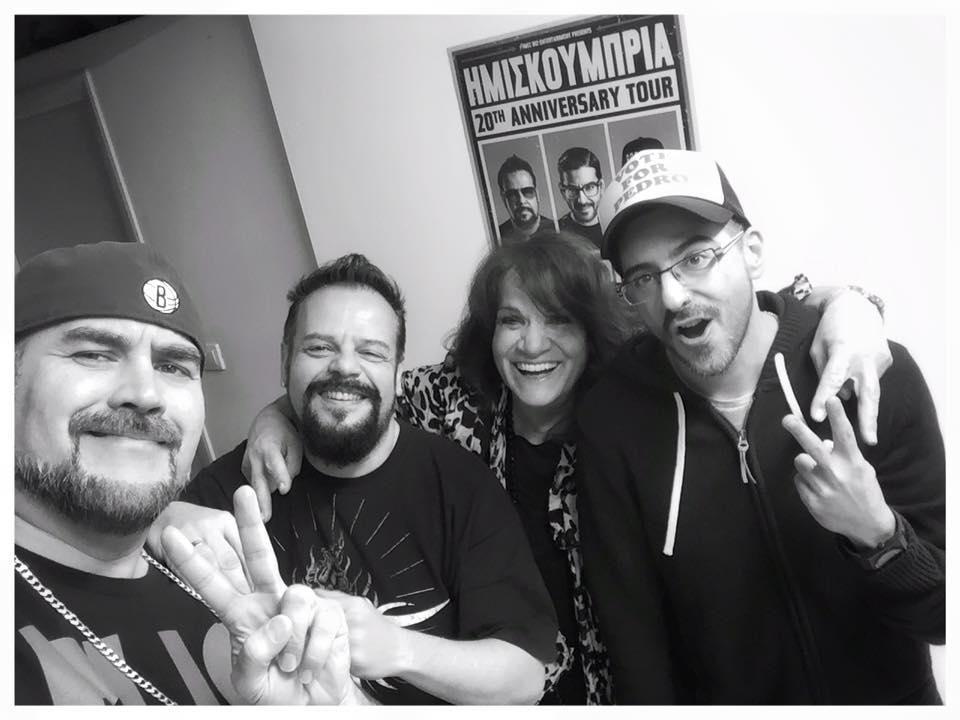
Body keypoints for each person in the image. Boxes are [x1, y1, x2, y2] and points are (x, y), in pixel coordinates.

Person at [222, 234, 892, 704]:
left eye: (558, 320)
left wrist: (852, 303)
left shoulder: (635, 412)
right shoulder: (453, 399)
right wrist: (276, 415)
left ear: (592, 331)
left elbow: (754, 309)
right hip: (486, 681)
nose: (533, 344)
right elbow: (358, 383)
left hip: (626, 688)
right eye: (512, 321)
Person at [576, 149, 945, 704]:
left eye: (696, 257)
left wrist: (878, 535)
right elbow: (638, 649)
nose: (673, 297)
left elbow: (942, 616)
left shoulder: (867, 374)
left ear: (751, 251)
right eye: (644, 277)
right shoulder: (614, 424)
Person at [174, 253, 557, 706]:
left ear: (398, 372)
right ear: (285, 362)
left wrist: (399, 649)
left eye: (371, 352)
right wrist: (163, 520)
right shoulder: (235, 488)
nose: (345, 367)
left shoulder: (459, 484)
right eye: (319, 348)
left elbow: (524, 679)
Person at [14, 242, 363, 706]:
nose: (146, 394)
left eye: (173, 366)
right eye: (94, 354)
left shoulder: (232, 584)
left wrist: (333, 706)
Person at [496, 155, 554, 245]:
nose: (522, 201)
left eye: (527, 192)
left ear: (537, 194)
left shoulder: (558, 230)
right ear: (504, 199)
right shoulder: (495, 238)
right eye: (512, 194)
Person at [556, 147, 605, 249]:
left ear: (601, 187)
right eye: (572, 190)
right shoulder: (556, 234)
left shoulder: (617, 225)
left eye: (589, 187)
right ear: (562, 192)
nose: (582, 201)